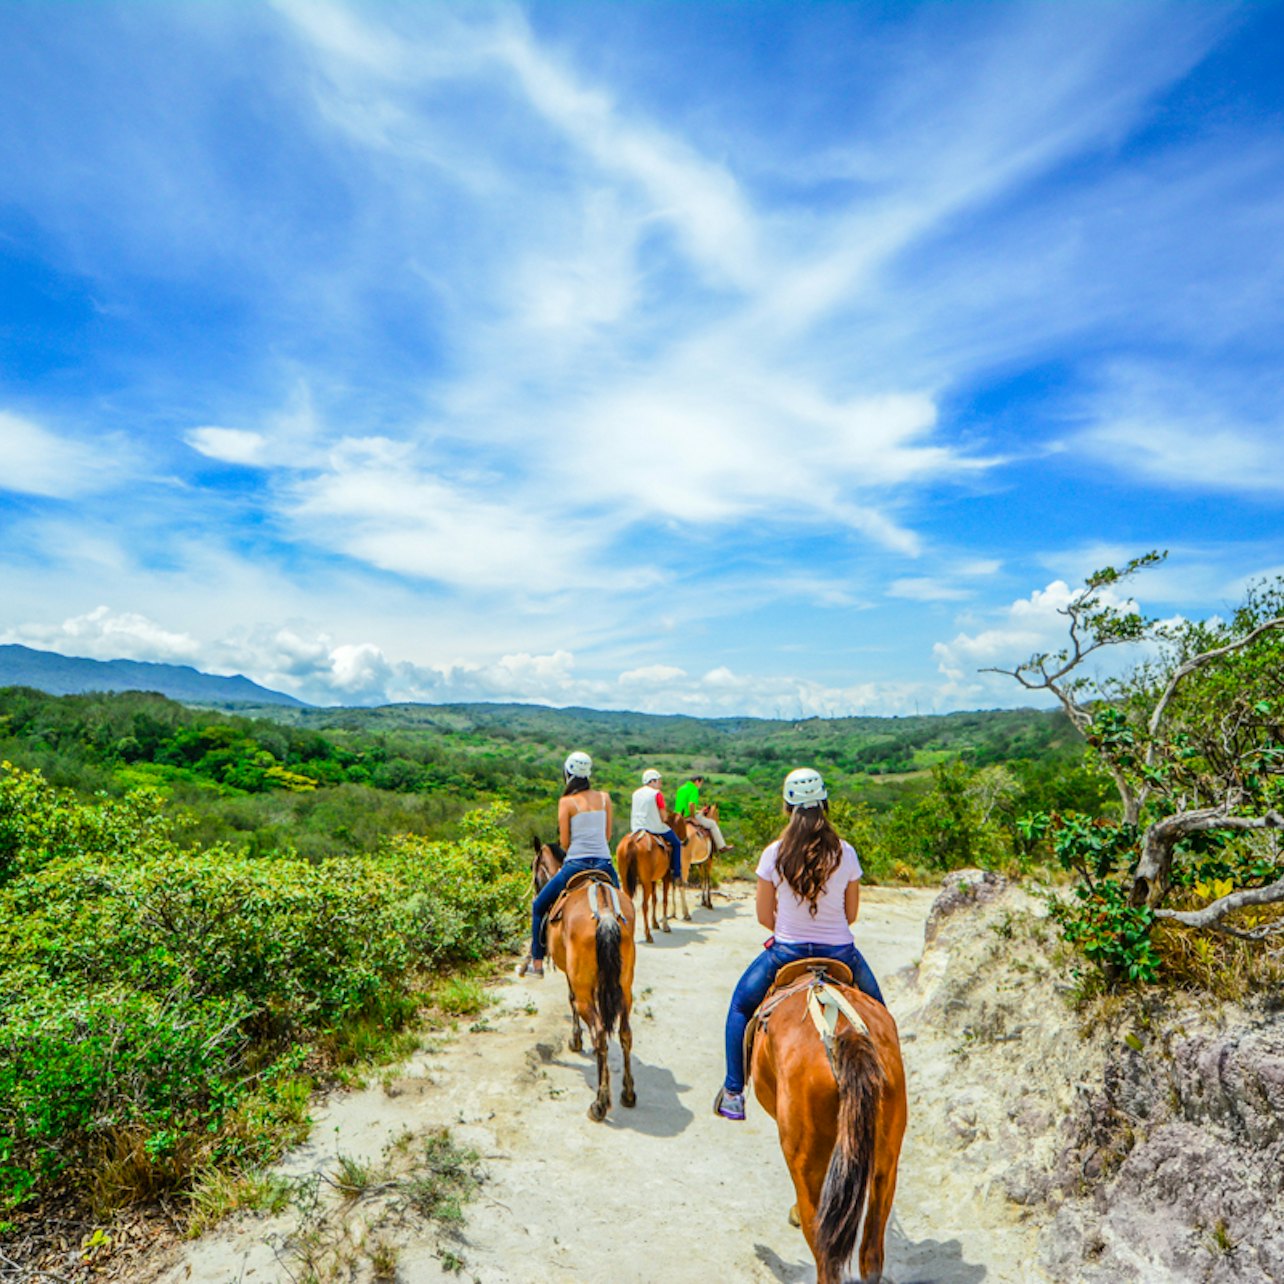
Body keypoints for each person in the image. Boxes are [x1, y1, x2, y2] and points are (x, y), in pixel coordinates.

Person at [714, 767, 884, 1121]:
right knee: (880, 1015)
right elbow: (851, 914)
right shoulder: (846, 852)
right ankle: (886, 1082)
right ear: (824, 803)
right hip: (841, 953)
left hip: (786, 953)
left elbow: (764, 917)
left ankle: (733, 1091)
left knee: (741, 1007)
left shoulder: (773, 854)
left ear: (787, 807)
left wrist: (792, 928)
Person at [526, 750, 619, 979]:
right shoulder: (605, 798)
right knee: (620, 908)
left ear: (567, 774)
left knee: (538, 906)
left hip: (575, 866)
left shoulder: (566, 802)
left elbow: (565, 842)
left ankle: (537, 963)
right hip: (605, 865)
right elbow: (607, 836)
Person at [630, 768, 683, 885]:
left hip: (636, 828)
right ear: (652, 781)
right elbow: (663, 817)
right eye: (659, 781)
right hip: (654, 827)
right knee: (677, 843)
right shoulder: (657, 794)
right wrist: (666, 820)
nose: (660, 784)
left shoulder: (635, 793)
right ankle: (676, 873)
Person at [673, 774, 732, 852]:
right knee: (713, 824)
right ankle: (722, 846)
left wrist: (699, 811)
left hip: (677, 816)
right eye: (701, 783)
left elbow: (683, 805)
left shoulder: (681, 788)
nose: (700, 785)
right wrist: (693, 818)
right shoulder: (694, 789)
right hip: (688, 816)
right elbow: (691, 804)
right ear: (697, 781)